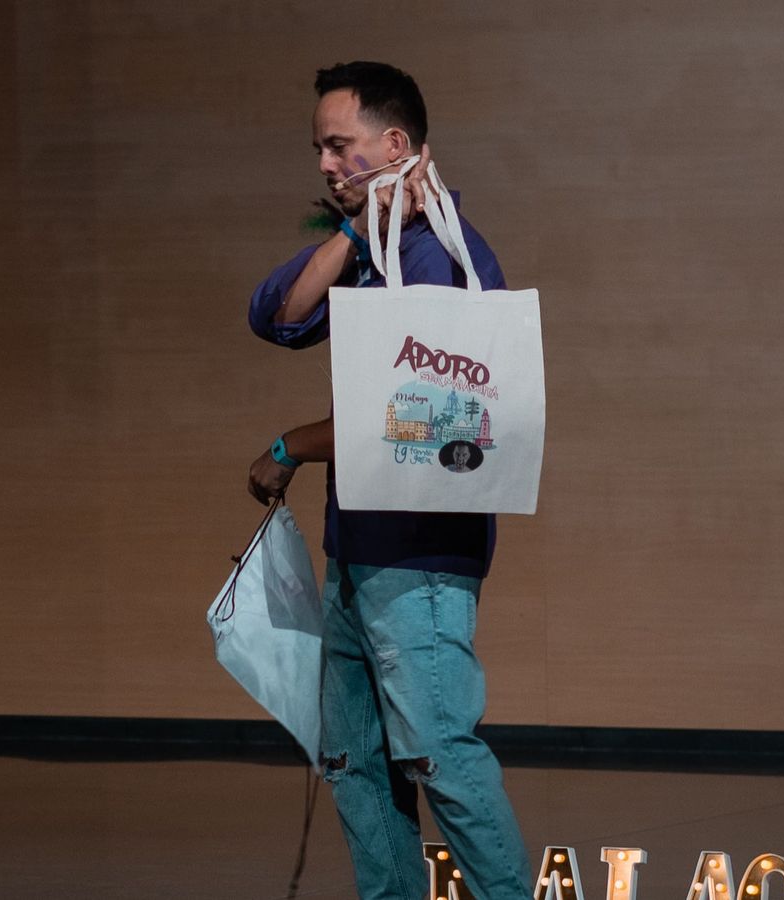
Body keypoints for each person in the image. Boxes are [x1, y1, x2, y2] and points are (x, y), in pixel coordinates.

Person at [245, 62, 533, 899]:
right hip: (358, 546)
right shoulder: (372, 247)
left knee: (438, 753)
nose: (326, 164)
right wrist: (353, 230)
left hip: (420, 561)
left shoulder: (438, 256)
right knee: (355, 761)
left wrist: (290, 446)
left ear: (396, 144)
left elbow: (407, 418)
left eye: (341, 146)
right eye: (319, 149)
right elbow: (279, 316)